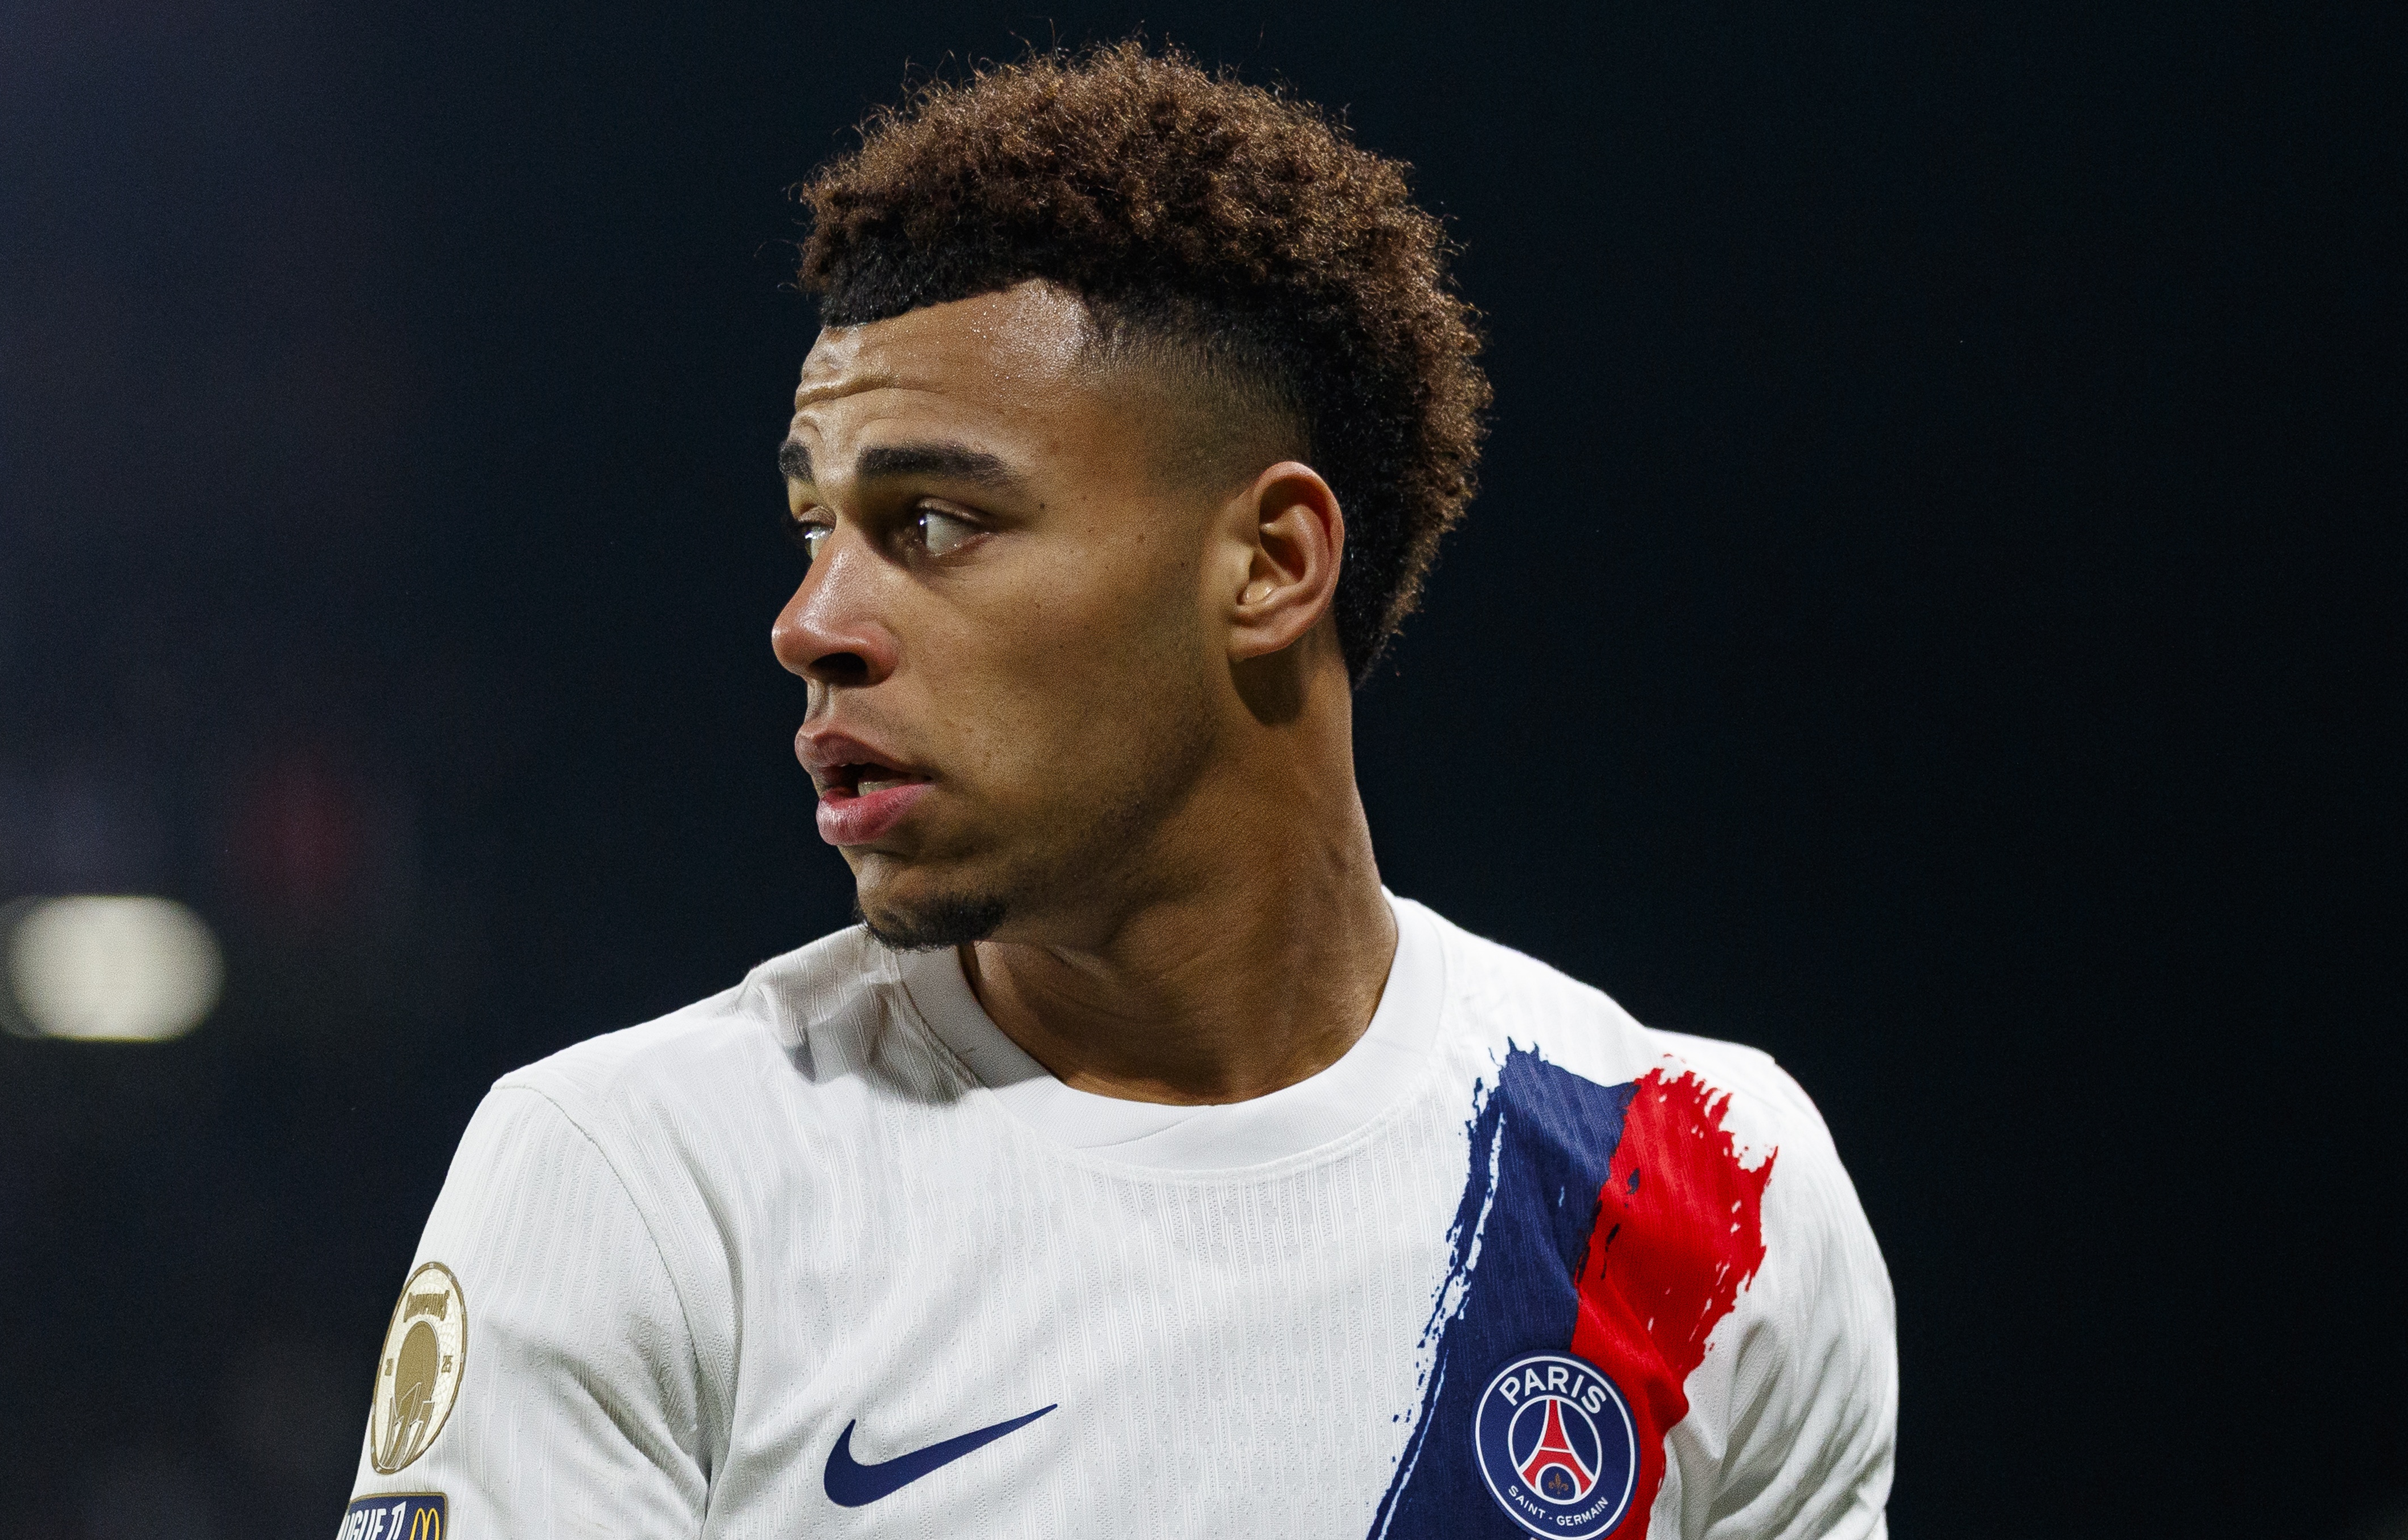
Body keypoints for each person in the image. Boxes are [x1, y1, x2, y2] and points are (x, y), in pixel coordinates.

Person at [341, 42, 1892, 1540]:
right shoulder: (641, 1180)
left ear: (1270, 564)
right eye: (814, 525)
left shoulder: (1698, 1181)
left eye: (934, 521)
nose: (811, 622)